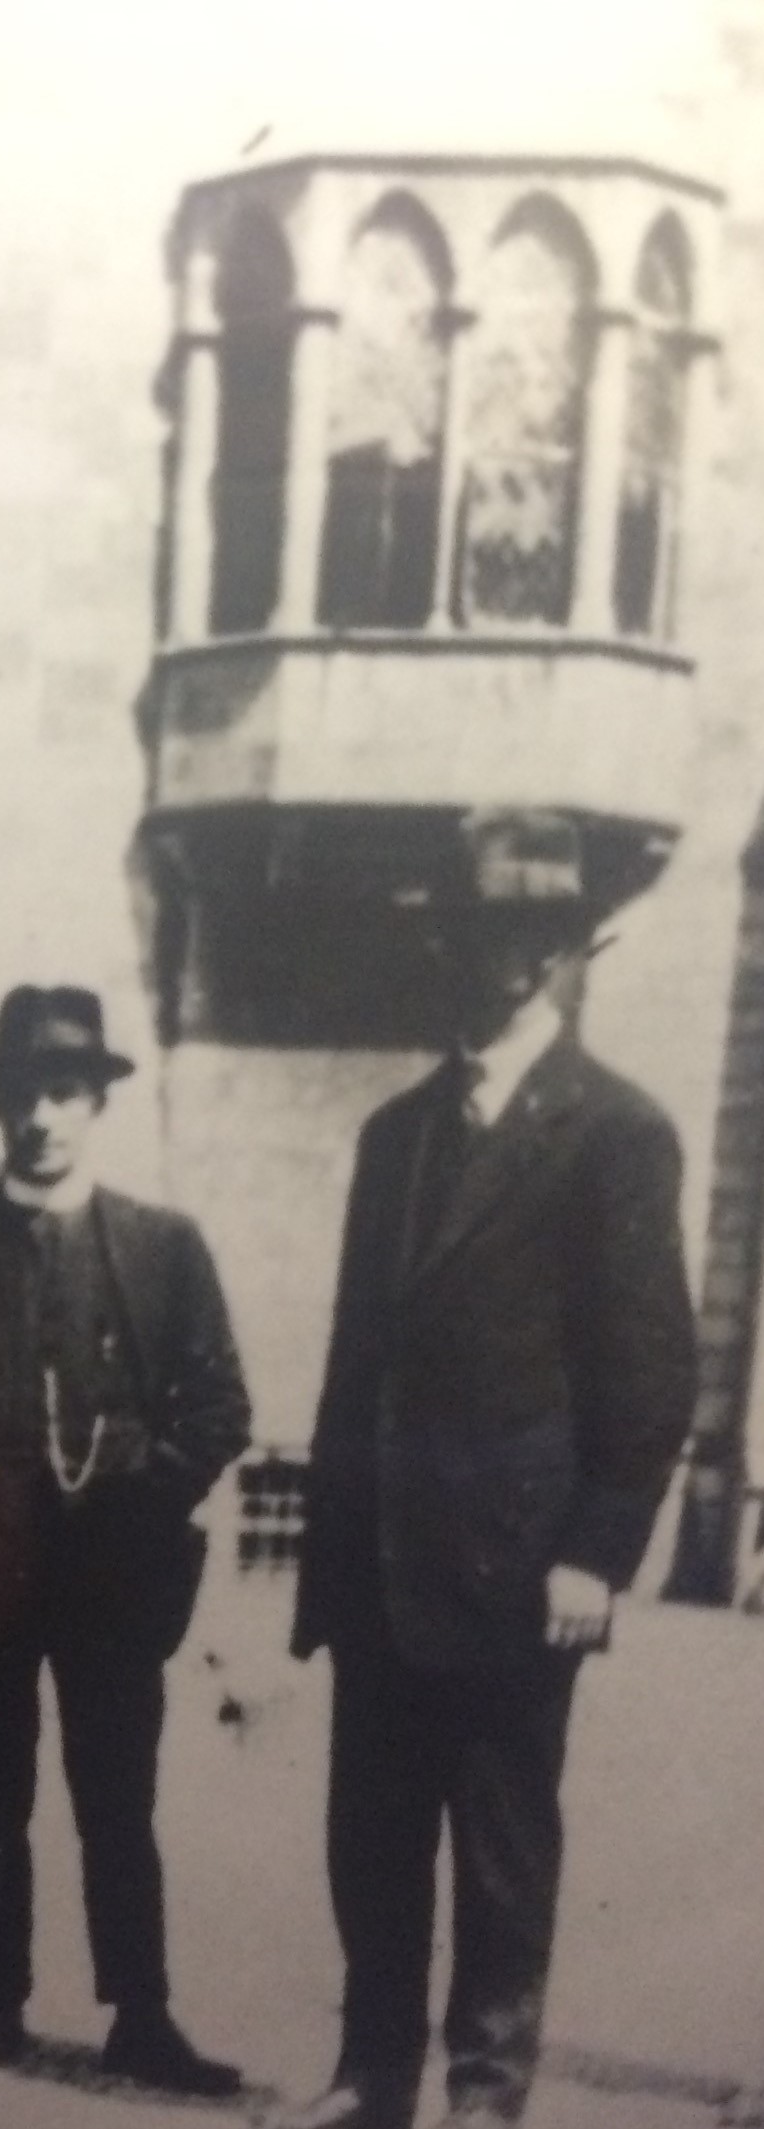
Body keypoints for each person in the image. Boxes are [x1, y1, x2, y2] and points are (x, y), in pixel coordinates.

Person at [276, 810, 697, 2129]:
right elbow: (358, 1360)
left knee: (502, 1843)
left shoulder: (615, 1130)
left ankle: (485, 2090)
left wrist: (599, 1543)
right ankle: (372, 2075)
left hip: (517, 1561)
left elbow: (649, 1365)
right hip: (386, 1550)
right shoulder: (394, 1135)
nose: (498, 962)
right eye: (477, 932)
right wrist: (328, 1562)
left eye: (528, 937)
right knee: (374, 1834)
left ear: (565, 951)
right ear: (449, 943)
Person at [0, 984, 248, 2095]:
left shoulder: (160, 1246)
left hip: (114, 1573)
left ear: (94, 1102)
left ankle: (139, 2013)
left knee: (115, 1797)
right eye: (20, 1094)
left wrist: (142, 1501)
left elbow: (218, 1405)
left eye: (62, 1092)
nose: (40, 1115)